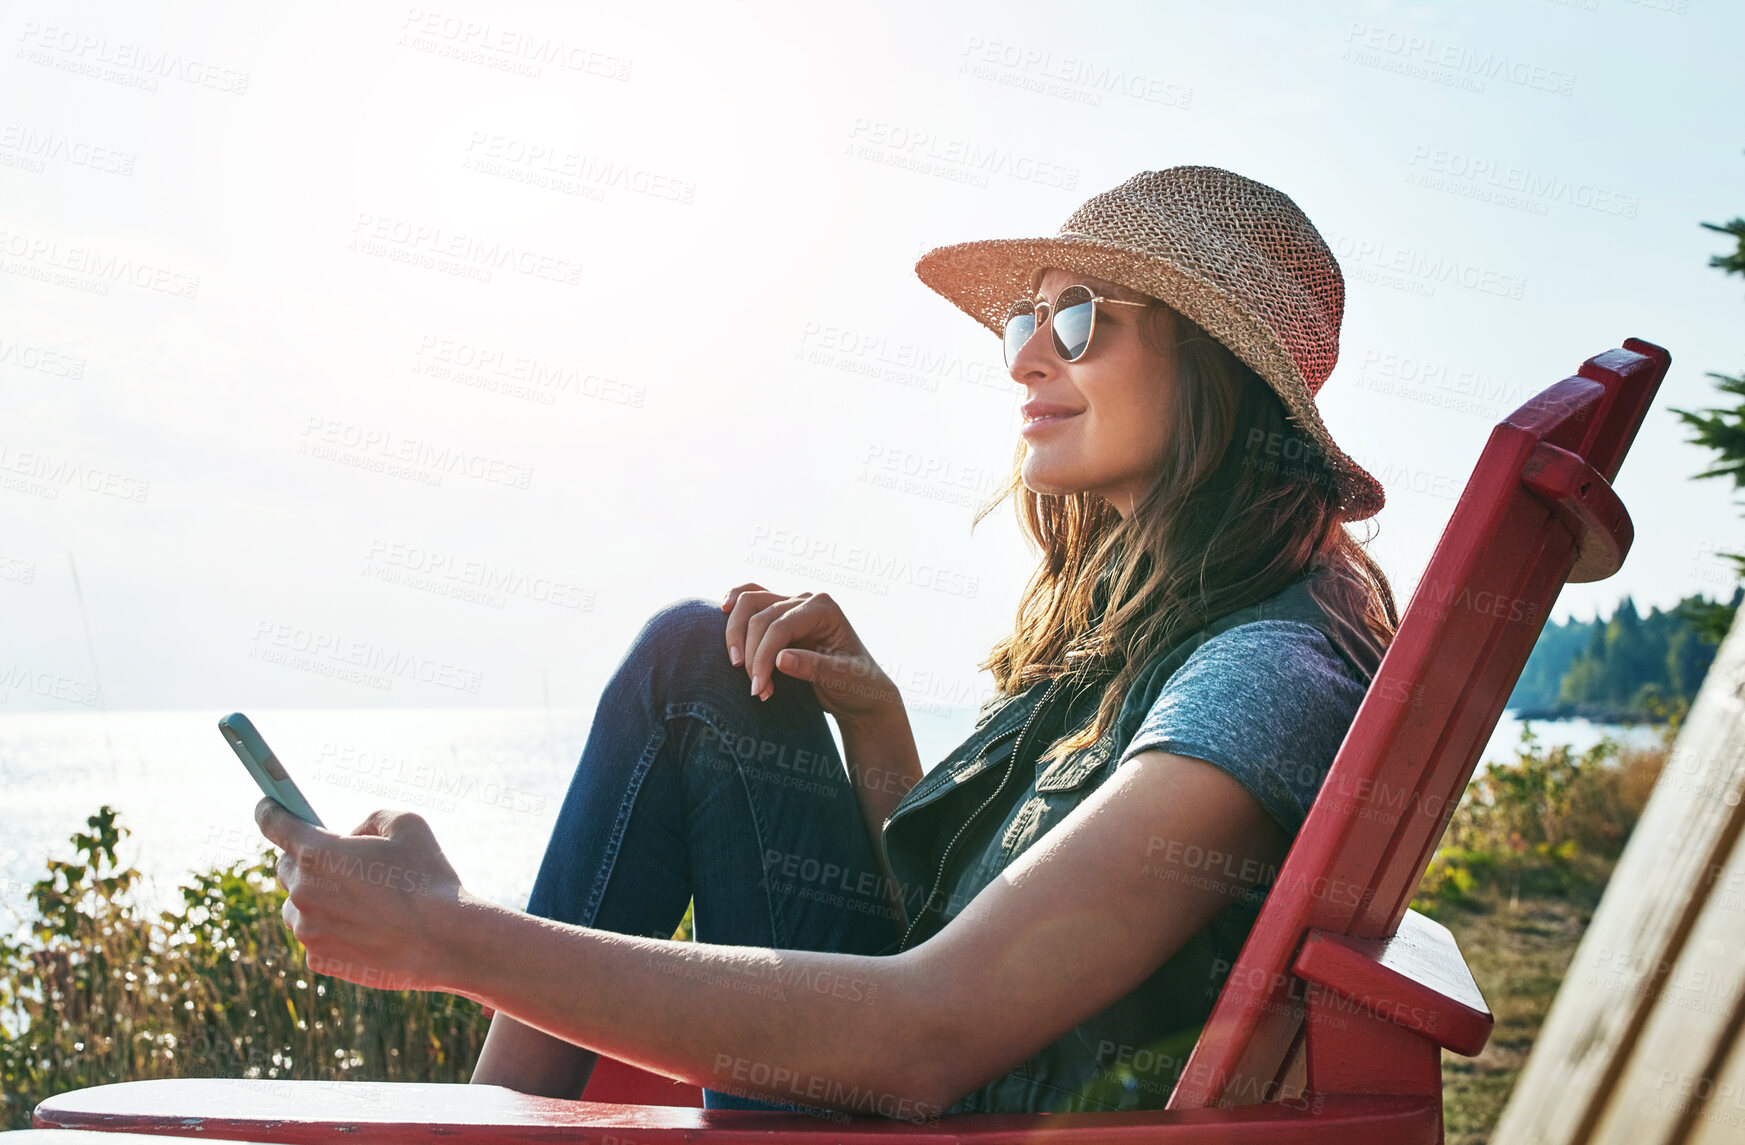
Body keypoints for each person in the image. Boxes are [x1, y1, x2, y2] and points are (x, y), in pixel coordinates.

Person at [255, 165, 1399, 1120]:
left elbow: (929, 1035)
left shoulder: (1261, 671)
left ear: (1216, 365)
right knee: (701, 665)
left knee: (684, 675)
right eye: (1024, 316)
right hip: (948, 1093)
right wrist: (877, 727)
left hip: (929, 1113)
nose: (1023, 357)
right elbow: (974, 941)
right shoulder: (1174, 624)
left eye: (1080, 316)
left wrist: (446, 936)